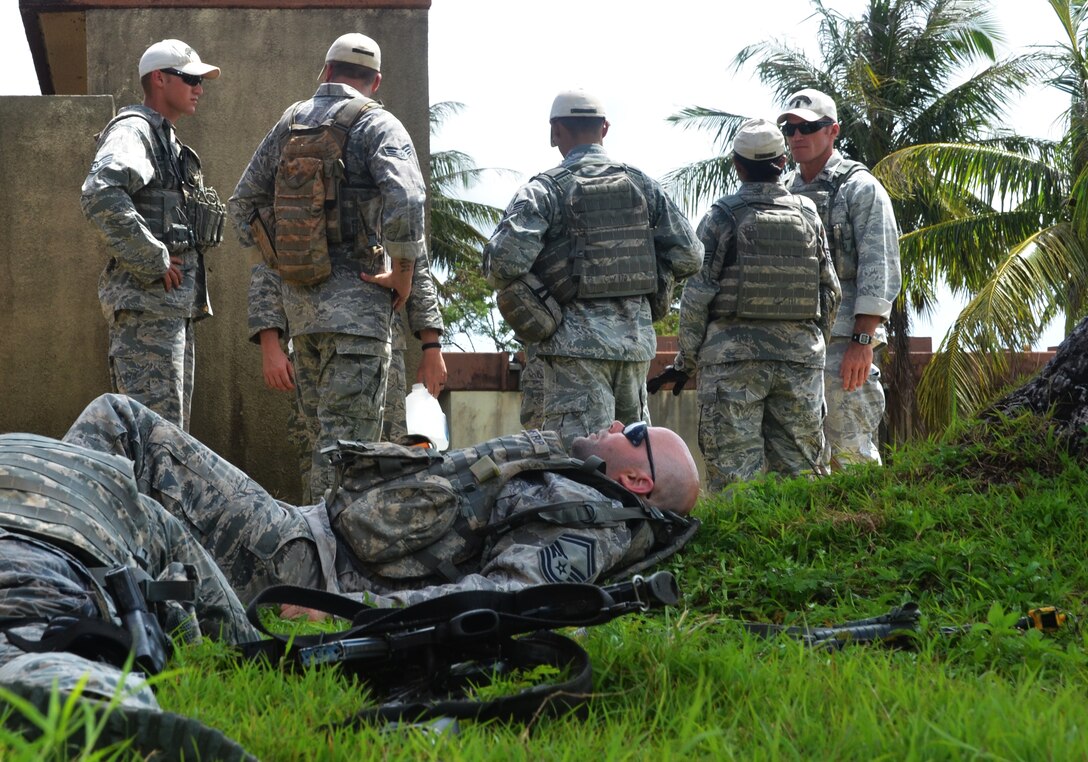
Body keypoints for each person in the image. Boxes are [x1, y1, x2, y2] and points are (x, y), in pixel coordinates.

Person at [63, 394, 702, 609]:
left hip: (305, 565)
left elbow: (504, 595)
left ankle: (37, 575)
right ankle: (51, 571)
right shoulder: (564, 481)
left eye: (635, 435)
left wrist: (348, 610)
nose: (620, 426)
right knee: (123, 484)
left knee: (123, 424)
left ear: (637, 483)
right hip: (308, 533)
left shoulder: (580, 523)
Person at [228, 32, 445, 501]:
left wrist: (289, 262)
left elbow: (244, 206)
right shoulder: (378, 123)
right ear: (377, 80)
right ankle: (336, 566)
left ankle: (315, 560)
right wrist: (403, 272)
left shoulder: (289, 125)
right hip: (362, 321)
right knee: (350, 459)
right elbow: (408, 201)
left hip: (304, 323)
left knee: (322, 454)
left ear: (325, 72)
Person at [0, 432, 259, 759]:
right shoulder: (126, 498)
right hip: (47, 570)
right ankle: (78, 692)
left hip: (37, 563)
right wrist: (247, 643)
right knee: (40, 632)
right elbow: (221, 612)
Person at [483, 89, 703, 448]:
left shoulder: (544, 190)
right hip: (634, 349)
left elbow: (505, 262)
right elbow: (690, 257)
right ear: (605, 128)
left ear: (555, 131)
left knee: (581, 461)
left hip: (572, 352)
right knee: (633, 457)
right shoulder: (644, 185)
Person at [649, 119, 840, 490]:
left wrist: (685, 362)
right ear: (783, 162)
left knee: (735, 481)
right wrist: (811, 347)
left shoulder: (722, 215)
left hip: (732, 366)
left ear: (737, 165)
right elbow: (830, 292)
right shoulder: (808, 214)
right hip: (799, 363)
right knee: (804, 478)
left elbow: (696, 297)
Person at [81, 39, 226, 431]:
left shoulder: (166, 139)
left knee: (168, 440)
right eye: (190, 78)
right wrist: (153, 257)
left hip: (169, 310)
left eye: (201, 81)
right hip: (148, 312)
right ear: (159, 79)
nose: (199, 88)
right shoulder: (135, 131)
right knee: (152, 440)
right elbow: (101, 192)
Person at [777, 89, 902, 468]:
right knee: (801, 460)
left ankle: (867, 527)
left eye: (808, 127)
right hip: (795, 345)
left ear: (833, 131)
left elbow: (879, 266)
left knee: (852, 454)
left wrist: (862, 342)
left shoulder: (860, 189)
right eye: (790, 128)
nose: (797, 136)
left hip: (845, 344)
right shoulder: (783, 191)